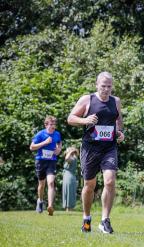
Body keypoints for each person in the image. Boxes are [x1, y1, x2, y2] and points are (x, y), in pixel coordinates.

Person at [67, 72, 124, 234]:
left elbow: (118, 121)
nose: (106, 89)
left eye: (109, 86)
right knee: (89, 185)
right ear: (96, 85)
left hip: (109, 148)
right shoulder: (87, 99)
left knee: (110, 181)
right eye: (103, 86)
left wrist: (120, 133)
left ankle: (105, 220)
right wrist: (85, 120)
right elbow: (70, 118)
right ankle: (86, 218)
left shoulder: (116, 102)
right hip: (90, 148)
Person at [30, 116, 62, 216]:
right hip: (40, 161)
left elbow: (59, 143)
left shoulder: (57, 134)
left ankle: (50, 206)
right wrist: (44, 142)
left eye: (54, 124)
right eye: (51, 124)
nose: (53, 126)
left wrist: (59, 149)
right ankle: (40, 201)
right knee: (41, 185)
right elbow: (31, 147)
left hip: (51, 161)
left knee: (51, 182)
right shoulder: (40, 134)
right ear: (46, 125)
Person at [62, 147, 79, 211]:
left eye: (67, 150)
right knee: (67, 191)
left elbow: (66, 158)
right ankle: (68, 208)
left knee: (69, 192)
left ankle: (69, 208)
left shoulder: (72, 158)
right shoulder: (73, 158)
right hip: (67, 176)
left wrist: (70, 152)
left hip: (69, 176)